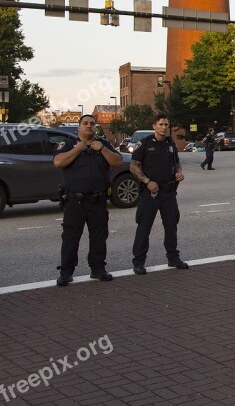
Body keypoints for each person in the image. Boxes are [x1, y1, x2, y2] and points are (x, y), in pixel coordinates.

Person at [53, 114, 122, 286]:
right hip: (75, 201)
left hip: (97, 200)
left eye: (92, 123)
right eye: (85, 123)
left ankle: (98, 269)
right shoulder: (70, 145)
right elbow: (58, 162)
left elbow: (117, 162)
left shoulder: (103, 145)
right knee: (70, 238)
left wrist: (102, 149)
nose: (89, 126)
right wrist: (78, 149)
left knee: (99, 237)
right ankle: (66, 272)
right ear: (79, 127)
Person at [129, 114, 189, 275]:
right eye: (161, 124)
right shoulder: (144, 144)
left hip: (169, 192)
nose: (164, 127)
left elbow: (176, 163)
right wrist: (148, 182)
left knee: (171, 226)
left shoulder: (170, 143)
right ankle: (139, 262)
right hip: (150, 193)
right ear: (154, 126)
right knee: (144, 227)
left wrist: (178, 173)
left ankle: (173, 258)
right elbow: (134, 167)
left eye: (166, 125)